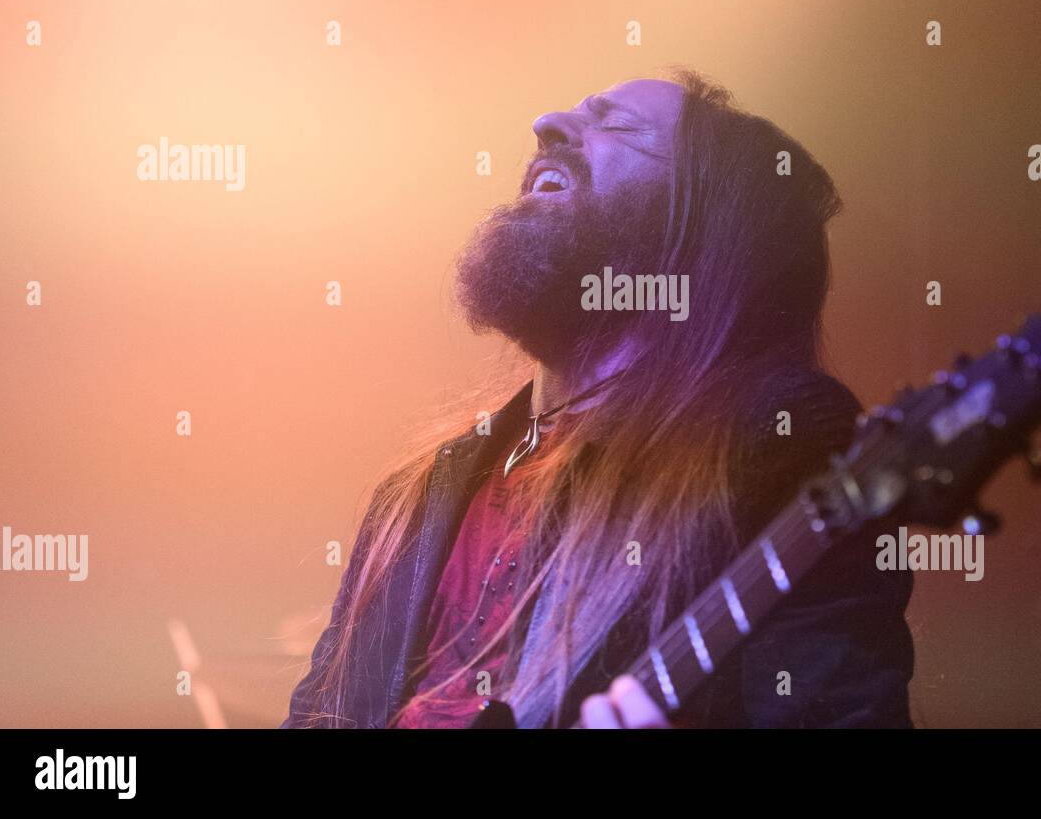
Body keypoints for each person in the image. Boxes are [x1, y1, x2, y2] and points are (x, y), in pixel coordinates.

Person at [283, 70, 914, 729]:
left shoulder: (773, 453)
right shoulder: (418, 496)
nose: (546, 123)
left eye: (616, 126)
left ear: (699, 231)